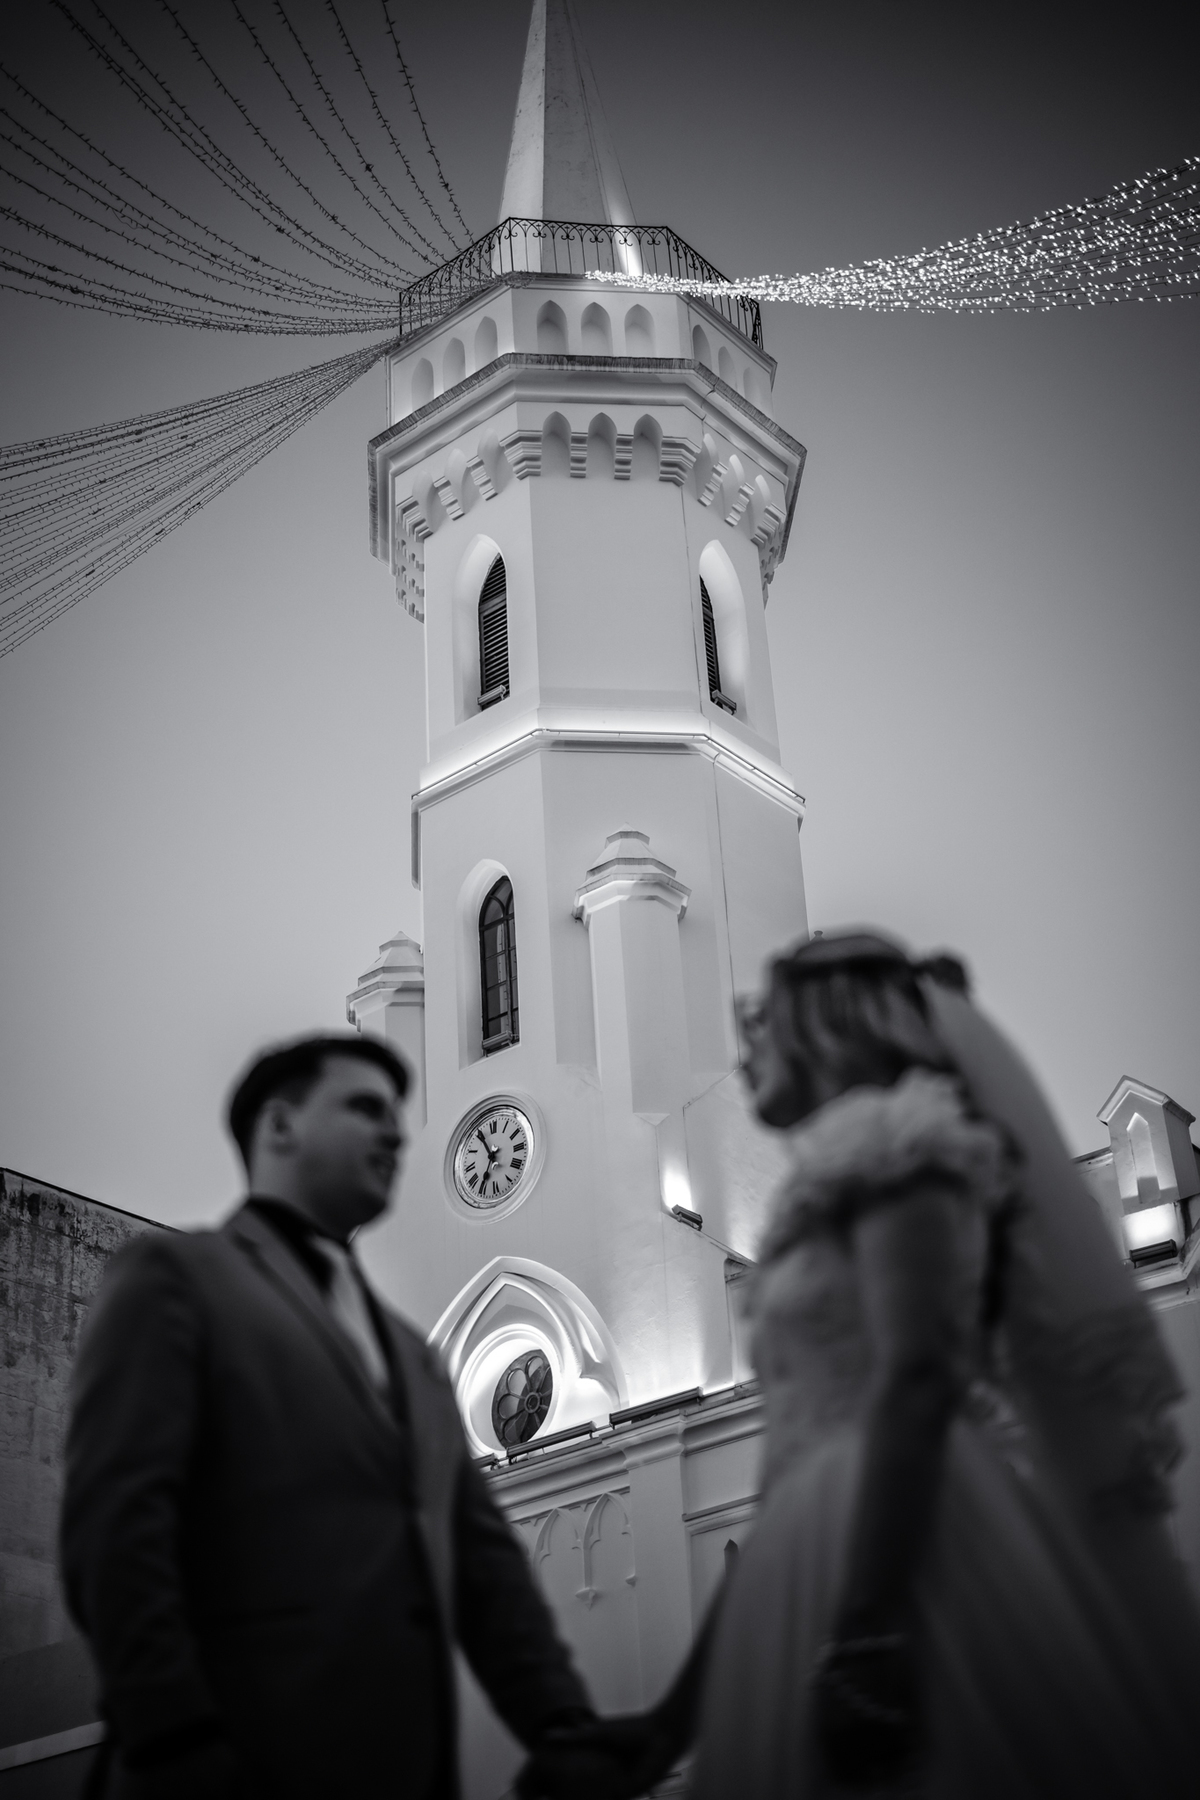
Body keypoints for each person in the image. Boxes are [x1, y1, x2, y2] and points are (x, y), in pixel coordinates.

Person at [525, 931, 1200, 1799]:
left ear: (834, 1026)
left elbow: (917, 1377)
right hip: (803, 1543)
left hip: (916, 1546)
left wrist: (871, 1631)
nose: (747, 1043)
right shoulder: (828, 1189)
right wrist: (668, 1727)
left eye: (764, 1018)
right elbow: (785, 1475)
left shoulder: (904, 1153)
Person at [60, 1034, 604, 1799]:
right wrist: (176, 1737)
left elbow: (487, 1573)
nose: (393, 1133)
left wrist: (562, 1726)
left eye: (396, 1114)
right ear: (280, 1127)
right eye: (364, 1108)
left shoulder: (414, 1355)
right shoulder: (178, 1280)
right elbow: (115, 1527)